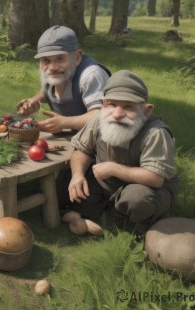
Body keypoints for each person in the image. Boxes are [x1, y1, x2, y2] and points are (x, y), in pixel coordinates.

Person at [63, 70, 179, 239]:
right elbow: (82, 150)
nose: (117, 114)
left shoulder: (155, 133)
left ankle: (140, 227)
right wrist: (77, 175)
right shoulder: (98, 120)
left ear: (146, 111)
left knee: (138, 199)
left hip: (150, 190)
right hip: (107, 183)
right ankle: (105, 211)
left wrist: (113, 168)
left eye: (128, 107)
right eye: (112, 104)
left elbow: (155, 178)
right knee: (64, 183)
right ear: (103, 104)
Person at [17, 25, 110, 133]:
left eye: (60, 58)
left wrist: (65, 123)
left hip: (100, 142)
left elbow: (100, 116)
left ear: (77, 57)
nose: (52, 68)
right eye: (46, 60)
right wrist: (35, 100)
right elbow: (47, 88)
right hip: (74, 138)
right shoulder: (55, 73)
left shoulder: (91, 75)